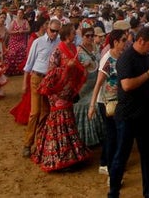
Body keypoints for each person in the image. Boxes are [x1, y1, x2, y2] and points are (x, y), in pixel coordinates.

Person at [108, 26, 149, 198]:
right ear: (140, 41)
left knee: (147, 156)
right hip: (127, 116)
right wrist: (148, 75)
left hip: (144, 114)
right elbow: (127, 85)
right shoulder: (126, 58)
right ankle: (113, 192)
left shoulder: (146, 56)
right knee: (121, 157)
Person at [31, 22, 90, 171]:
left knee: (67, 120)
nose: (74, 34)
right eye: (72, 32)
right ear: (67, 35)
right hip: (58, 92)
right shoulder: (58, 50)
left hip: (68, 92)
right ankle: (61, 156)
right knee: (60, 122)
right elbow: (51, 72)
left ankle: (69, 154)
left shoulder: (73, 48)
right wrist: (66, 67)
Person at [89, 29, 128, 176]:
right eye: (123, 40)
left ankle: (107, 162)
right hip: (106, 102)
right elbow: (99, 83)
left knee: (115, 133)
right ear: (116, 42)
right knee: (114, 134)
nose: (126, 42)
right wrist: (92, 105)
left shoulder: (121, 56)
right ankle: (110, 165)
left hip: (117, 101)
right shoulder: (107, 59)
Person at [74, 23, 105, 151]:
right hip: (85, 86)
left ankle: (98, 135)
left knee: (97, 105)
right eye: (88, 35)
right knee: (87, 107)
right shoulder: (78, 50)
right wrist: (82, 67)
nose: (91, 38)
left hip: (96, 83)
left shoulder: (96, 47)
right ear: (82, 36)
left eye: (92, 35)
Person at [5, 8, 31, 77]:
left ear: (23, 14)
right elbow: (9, 31)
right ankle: (10, 71)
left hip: (22, 40)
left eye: (21, 13)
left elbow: (29, 29)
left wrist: (23, 31)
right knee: (12, 55)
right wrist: (17, 32)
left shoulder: (25, 21)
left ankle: (20, 71)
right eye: (18, 13)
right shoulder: (14, 21)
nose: (19, 14)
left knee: (22, 54)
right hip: (14, 40)